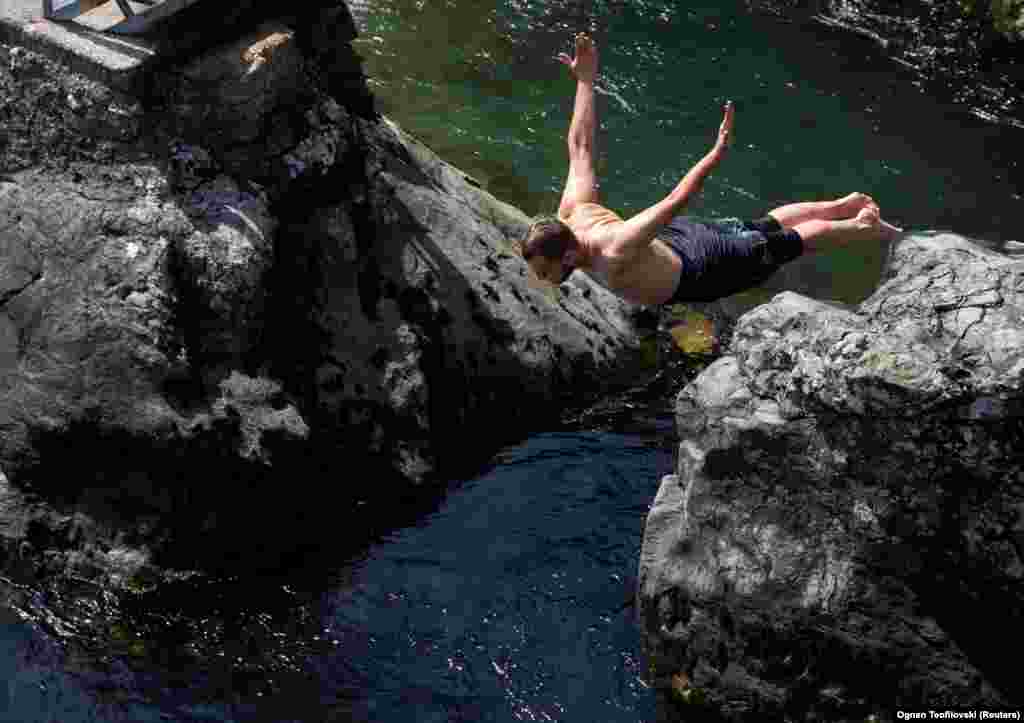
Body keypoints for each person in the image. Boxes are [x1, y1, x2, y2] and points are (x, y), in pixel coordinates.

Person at [518, 32, 903, 306]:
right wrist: (585, 80)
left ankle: (860, 227)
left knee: (787, 244)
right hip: (676, 241)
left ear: (568, 258)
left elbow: (676, 198)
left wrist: (714, 155)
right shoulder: (572, 213)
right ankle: (841, 204)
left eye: (544, 272)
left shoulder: (613, 248)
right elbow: (580, 147)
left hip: (705, 267)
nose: (542, 280)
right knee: (759, 226)